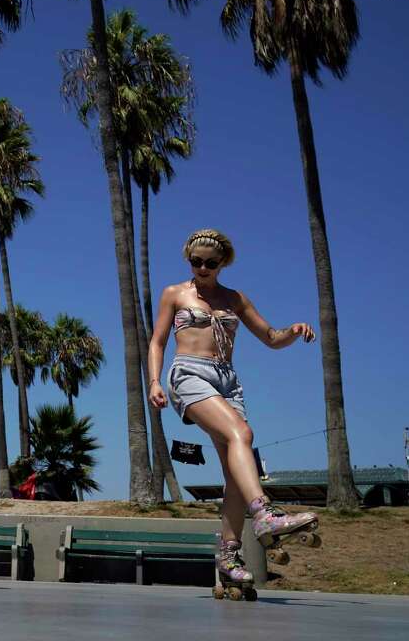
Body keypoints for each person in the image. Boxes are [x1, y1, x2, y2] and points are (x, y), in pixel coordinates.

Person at [148, 228, 318, 589]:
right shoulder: (174, 293)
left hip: (227, 381)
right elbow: (157, 341)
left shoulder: (235, 298)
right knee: (242, 433)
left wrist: (294, 329)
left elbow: (271, 338)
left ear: (222, 263)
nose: (202, 268)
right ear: (188, 260)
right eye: (196, 262)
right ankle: (264, 513)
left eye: (210, 263)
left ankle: (229, 555)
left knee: (236, 474)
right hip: (189, 372)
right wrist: (154, 381)